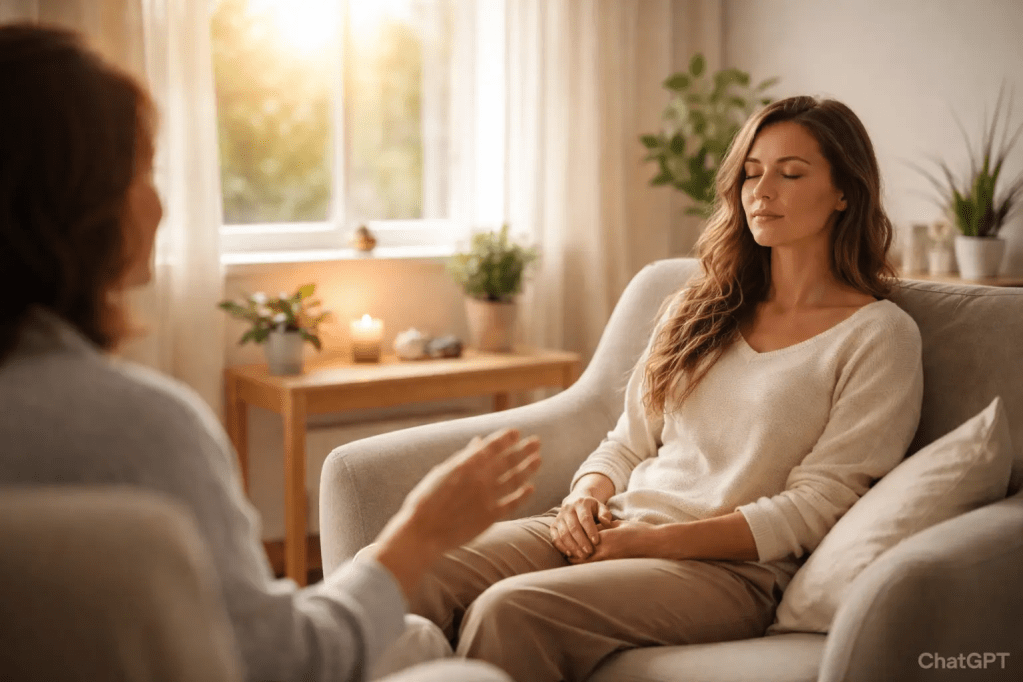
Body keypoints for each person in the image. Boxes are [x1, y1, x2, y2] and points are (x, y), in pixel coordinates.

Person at [0, 23, 541, 682]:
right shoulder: (142, 430)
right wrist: (419, 533)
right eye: (141, 172)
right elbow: (280, 662)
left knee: (417, 638)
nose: (160, 203)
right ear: (73, 206)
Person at [407, 95, 925, 681]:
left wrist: (657, 544)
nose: (762, 190)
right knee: (417, 565)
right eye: (752, 173)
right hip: (619, 523)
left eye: (791, 173)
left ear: (845, 193)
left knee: (510, 609)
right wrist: (585, 497)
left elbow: (820, 504)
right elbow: (628, 442)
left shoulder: (879, 335)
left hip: (730, 571)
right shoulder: (699, 306)